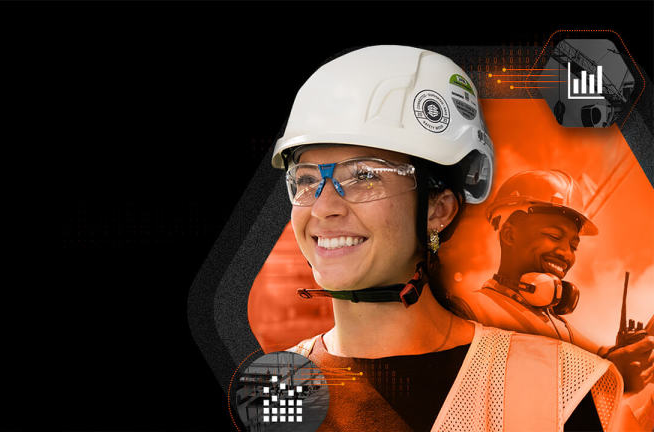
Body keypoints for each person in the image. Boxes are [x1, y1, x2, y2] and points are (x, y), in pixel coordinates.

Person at [272, 45, 628, 431]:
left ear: (438, 210)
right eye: (306, 180)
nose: (323, 208)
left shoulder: (562, 389)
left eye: (365, 176)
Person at [448, 169, 654, 428]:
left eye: (573, 245)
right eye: (554, 237)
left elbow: (603, 356)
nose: (566, 254)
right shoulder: (469, 311)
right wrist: (608, 375)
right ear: (510, 234)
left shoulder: (557, 324)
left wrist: (631, 349)